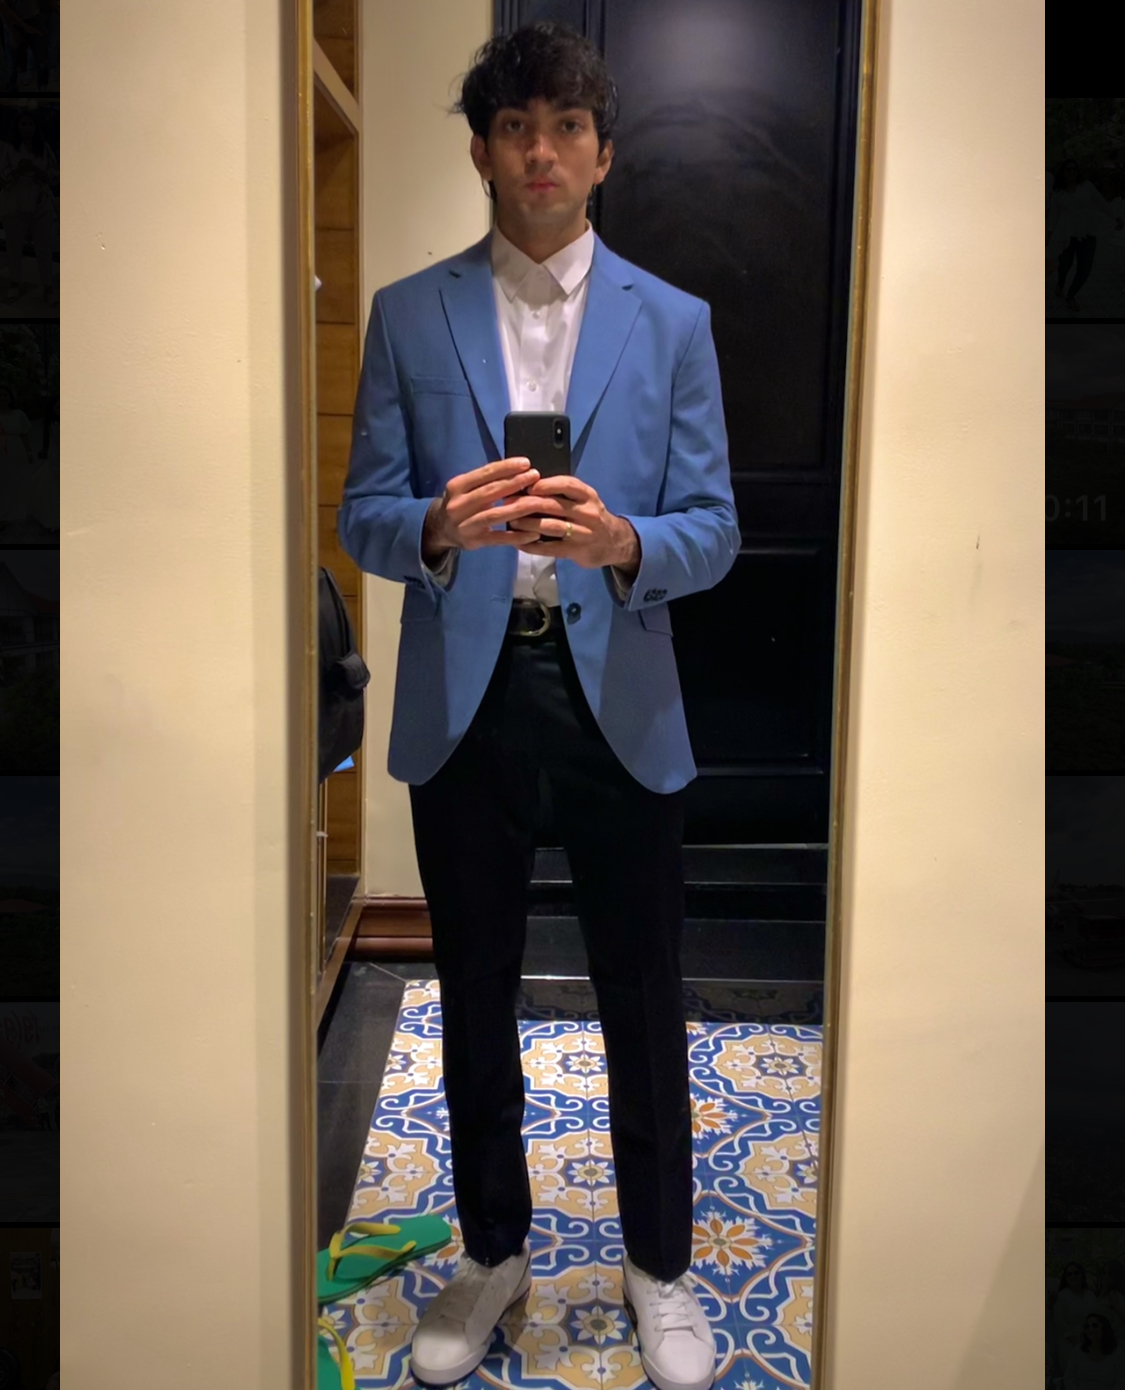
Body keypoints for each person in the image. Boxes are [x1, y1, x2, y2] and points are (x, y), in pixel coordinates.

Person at [337, 21, 738, 1390]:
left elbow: (713, 530)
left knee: (643, 987)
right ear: (482, 151)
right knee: (475, 986)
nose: (542, 151)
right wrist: (435, 526)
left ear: (603, 152)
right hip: (468, 695)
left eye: (567, 126)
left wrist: (624, 541)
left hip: (617, 688)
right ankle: (494, 1246)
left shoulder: (673, 322)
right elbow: (364, 513)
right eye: (516, 127)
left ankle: (659, 1261)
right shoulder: (408, 313)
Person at [1047, 160, 1123, 315]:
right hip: (1066, 233)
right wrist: (1049, 233)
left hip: (1087, 232)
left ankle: (1071, 295)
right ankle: (1061, 283)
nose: (1072, 172)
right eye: (1068, 169)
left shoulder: (1087, 186)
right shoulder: (1058, 191)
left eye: (1074, 169)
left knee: (1085, 268)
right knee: (1065, 265)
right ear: (1063, 172)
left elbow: (1101, 203)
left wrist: (1116, 217)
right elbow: (1054, 214)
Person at [0, 108, 58, 305]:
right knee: (14, 246)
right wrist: (18, 170)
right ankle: (14, 284)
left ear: (36, 126)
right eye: (23, 124)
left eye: (30, 124)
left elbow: (55, 175)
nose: (27, 127)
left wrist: (39, 172)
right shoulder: (7, 148)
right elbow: (2, 177)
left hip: (40, 201)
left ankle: (47, 288)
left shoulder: (44, 148)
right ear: (17, 126)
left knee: (43, 247)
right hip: (15, 201)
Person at [1055, 1263, 1102, 1373]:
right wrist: (1076, 1341)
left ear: (1082, 1275)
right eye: (1069, 1274)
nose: (1073, 1276)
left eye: (1076, 1273)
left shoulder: (1090, 1294)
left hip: (1092, 1341)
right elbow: (1060, 1322)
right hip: (1070, 1343)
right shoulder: (1061, 1296)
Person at [0, 383, 32, 534]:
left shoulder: (18, 414)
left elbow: (24, 435)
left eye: (5, 395)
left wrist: (29, 453)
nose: (2, 398)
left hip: (16, 452)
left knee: (14, 482)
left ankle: (10, 513)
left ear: (10, 397)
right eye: (0, 395)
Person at [1065, 1313, 1123, 1388]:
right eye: (1087, 1327)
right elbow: (1069, 1378)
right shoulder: (1079, 1350)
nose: (1091, 1329)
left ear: (1105, 1328)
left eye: (1095, 1325)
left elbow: (1121, 1383)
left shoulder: (1117, 1353)